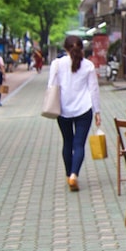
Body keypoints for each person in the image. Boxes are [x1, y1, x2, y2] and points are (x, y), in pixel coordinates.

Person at [49, 36, 102, 192]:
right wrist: (97, 111)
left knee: (67, 142)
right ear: (82, 48)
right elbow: (93, 90)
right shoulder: (88, 66)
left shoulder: (57, 64)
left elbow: (51, 86)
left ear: (65, 48)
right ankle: (74, 175)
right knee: (79, 145)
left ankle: (68, 176)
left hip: (62, 109)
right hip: (84, 109)